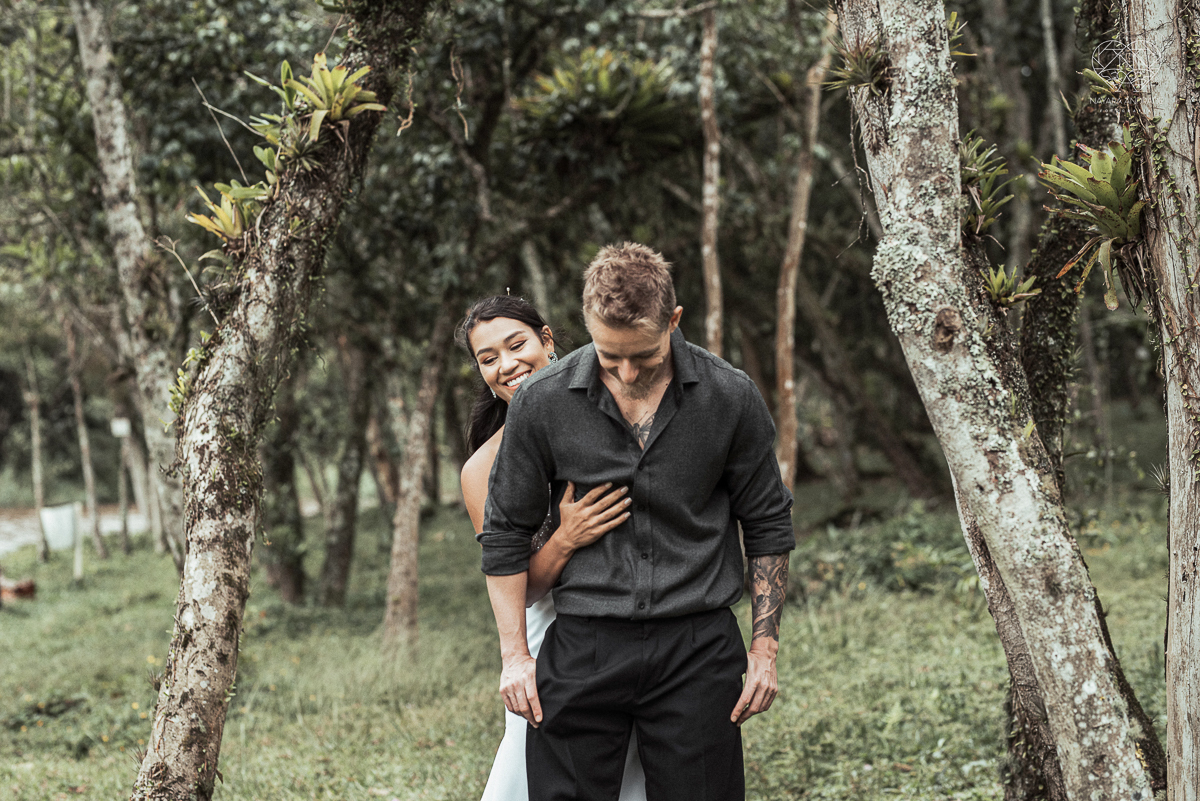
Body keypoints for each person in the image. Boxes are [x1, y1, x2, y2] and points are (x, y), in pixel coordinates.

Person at [479, 243, 795, 801]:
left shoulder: (730, 396)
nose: (626, 373)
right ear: (585, 326)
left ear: (673, 322)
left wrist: (765, 649)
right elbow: (504, 534)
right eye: (608, 357)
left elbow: (767, 522)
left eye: (644, 356)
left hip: (697, 648)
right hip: (583, 644)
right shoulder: (542, 403)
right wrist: (514, 657)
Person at [456, 295, 648, 801]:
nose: (506, 365)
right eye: (488, 358)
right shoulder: (482, 470)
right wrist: (566, 537)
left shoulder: (618, 412)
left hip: (638, 624)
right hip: (548, 640)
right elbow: (520, 589)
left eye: (516, 344)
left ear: (547, 339)